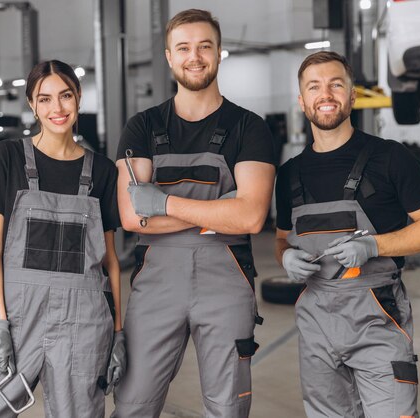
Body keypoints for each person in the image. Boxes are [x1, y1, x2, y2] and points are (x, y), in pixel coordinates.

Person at [113, 9, 276, 417]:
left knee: (227, 409)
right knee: (132, 405)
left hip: (227, 285)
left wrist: (164, 203)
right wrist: (223, 208)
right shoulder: (143, 127)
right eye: (183, 47)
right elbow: (133, 218)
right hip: (155, 286)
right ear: (169, 57)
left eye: (205, 46)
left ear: (220, 53)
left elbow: (253, 218)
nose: (195, 56)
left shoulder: (248, 127)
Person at [275, 51, 420, 418]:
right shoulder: (289, 174)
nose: (326, 94)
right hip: (316, 324)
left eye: (336, 84)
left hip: (377, 318)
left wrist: (374, 245)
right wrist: (285, 256)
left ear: (353, 96)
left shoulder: (390, 158)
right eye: (314, 87)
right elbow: (280, 238)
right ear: (302, 100)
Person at [0, 60, 126, 418]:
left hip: (84, 327)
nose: (57, 108)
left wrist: (119, 332)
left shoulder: (102, 171)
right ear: (32, 105)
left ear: (78, 98)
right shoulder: (6, 157)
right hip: (19, 321)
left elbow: (109, 260)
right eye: (45, 99)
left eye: (65, 96)